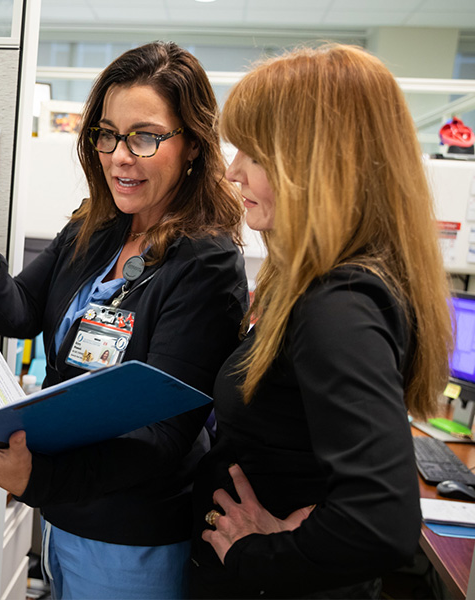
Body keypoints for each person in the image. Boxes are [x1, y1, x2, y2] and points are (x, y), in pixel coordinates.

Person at [0, 41, 248, 599]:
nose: (118, 155)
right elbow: (24, 312)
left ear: (192, 145)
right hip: (66, 515)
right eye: (107, 134)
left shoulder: (205, 262)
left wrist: (37, 480)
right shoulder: (99, 226)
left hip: (132, 536)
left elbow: (162, 434)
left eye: (144, 136)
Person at [189, 44, 453, 599]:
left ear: (314, 164)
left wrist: (258, 553)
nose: (233, 171)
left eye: (253, 154)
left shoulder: (338, 304)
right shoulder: (332, 285)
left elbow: (383, 525)